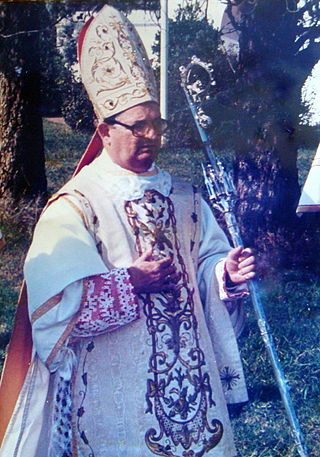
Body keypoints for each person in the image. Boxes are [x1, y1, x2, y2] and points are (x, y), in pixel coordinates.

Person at [0, 6, 256, 457]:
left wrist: (224, 275)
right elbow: (55, 309)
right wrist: (130, 282)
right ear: (104, 130)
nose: (153, 137)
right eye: (139, 127)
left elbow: (205, 263)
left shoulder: (185, 198)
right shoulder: (76, 205)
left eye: (157, 125)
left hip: (194, 388)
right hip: (113, 389)